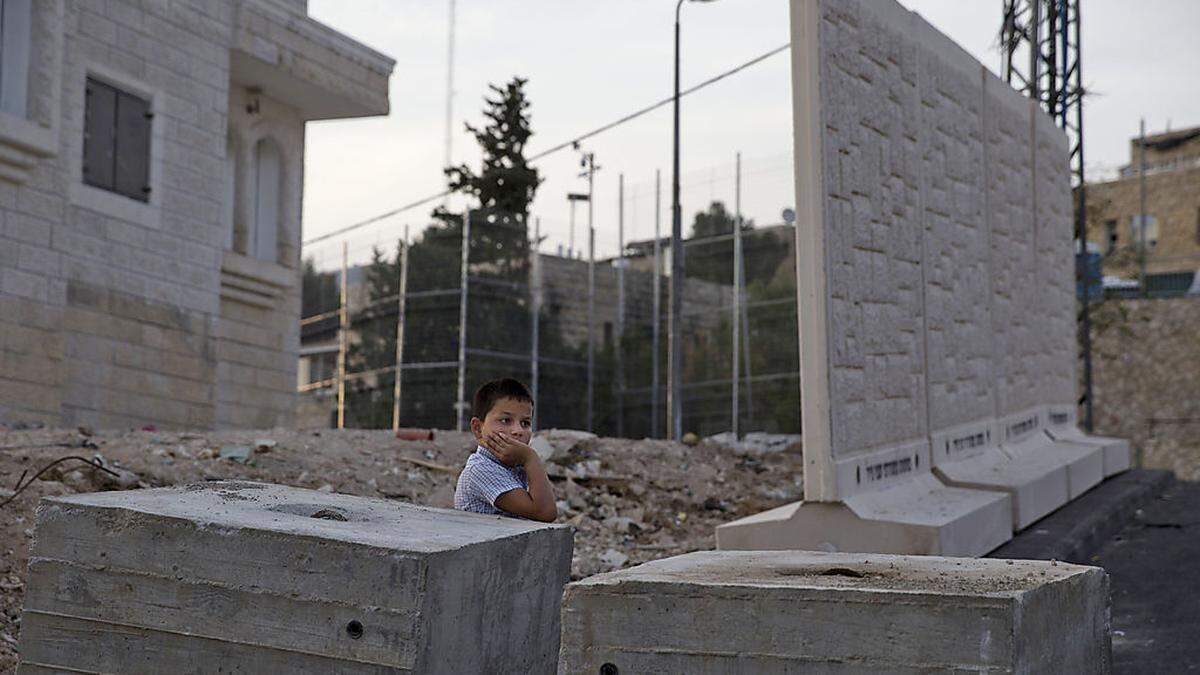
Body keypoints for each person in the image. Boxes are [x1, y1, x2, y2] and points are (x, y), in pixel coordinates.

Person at [454, 378, 557, 522]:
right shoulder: (480, 469)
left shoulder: (515, 466)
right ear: (478, 428)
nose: (518, 431)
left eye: (525, 423)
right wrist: (531, 457)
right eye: (505, 420)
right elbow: (545, 512)